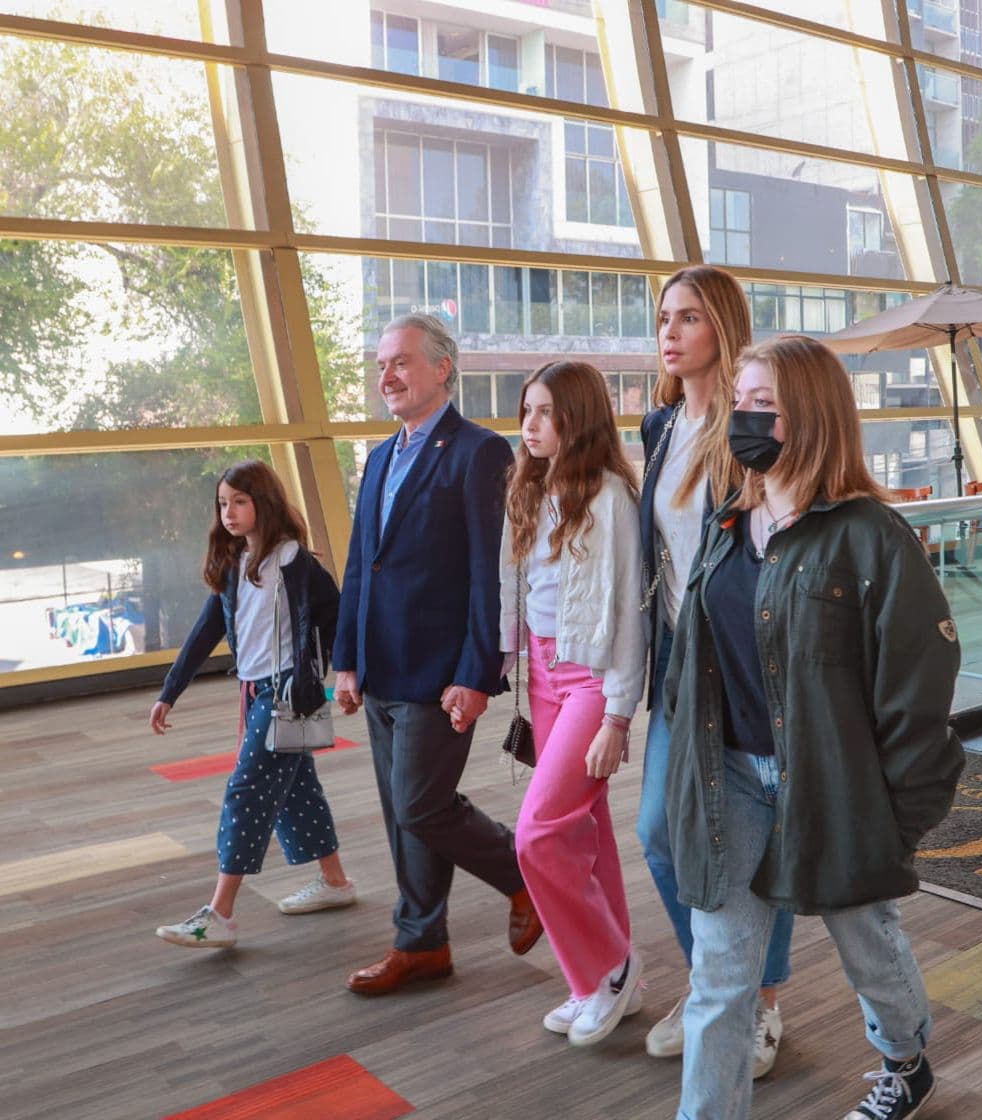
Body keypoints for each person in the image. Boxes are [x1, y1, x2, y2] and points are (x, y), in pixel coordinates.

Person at [664, 334, 964, 1120]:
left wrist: (898, 817)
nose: (744, 417)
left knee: (868, 942)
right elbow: (699, 654)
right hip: (733, 778)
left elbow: (917, 694)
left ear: (814, 415)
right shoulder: (728, 524)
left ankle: (905, 1058)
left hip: (835, 783)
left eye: (765, 404)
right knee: (720, 977)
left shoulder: (871, 538)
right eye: (742, 401)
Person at [333, 313, 542, 996]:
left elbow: (493, 573)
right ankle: (421, 944)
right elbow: (362, 565)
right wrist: (345, 658)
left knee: (422, 805)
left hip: (441, 671)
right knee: (404, 810)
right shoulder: (380, 456)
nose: (385, 376)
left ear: (442, 368)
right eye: (381, 364)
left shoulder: (479, 452)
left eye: (400, 362)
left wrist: (479, 674)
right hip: (381, 663)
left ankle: (527, 878)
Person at [637, 265, 794, 1072]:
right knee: (660, 836)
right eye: (664, 316)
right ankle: (715, 980)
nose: (670, 331)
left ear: (720, 328)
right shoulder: (659, 429)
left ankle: (759, 1001)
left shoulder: (749, 427)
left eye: (689, 317)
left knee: (756, 836)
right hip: (676, 665)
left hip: (739, 665)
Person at [499, 360, 646, 1047]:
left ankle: (608, 967)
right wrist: (509, 658)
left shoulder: (610, 496)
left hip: (590, 678)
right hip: (542, 671)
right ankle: (601, 979)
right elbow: (516, 584)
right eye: (526, 410)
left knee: (539, 832)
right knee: (584, 829)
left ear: (577, 418)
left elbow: (627, 613)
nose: (529, 425)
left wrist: (618, 714)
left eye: (545, 413)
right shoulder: (531, 487)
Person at [150, 459, 355, 949]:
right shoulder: (234, 565)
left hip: (287, 693)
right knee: (296, 787)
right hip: (253, 692)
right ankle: (335, 882)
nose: (229, 512)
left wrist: (351, 677)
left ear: (263, 503)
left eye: (239, 502)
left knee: (246, 790)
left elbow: (341, 619)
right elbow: (206, 633)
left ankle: (218, 913)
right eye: (223, 503)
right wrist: (168, 692)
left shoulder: (296, 564)